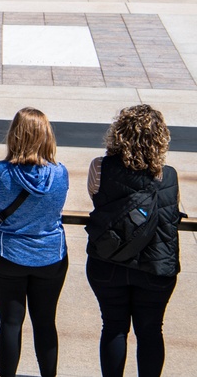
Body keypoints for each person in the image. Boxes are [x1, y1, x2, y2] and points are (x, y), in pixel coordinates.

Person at [86, 104, 182, 377]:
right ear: (160, 137)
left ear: (118, 133)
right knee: (151, 331)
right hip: (156, 267)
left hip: (108, 262)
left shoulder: (99, 167)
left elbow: (96, 198)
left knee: (114, 327)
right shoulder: (169, 175)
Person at [0, 107, 69, 377]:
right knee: (45, 323)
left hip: (7, 254)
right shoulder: (60, 173)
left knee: (10, 323)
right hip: (50, 257)